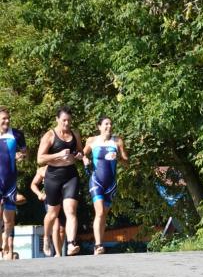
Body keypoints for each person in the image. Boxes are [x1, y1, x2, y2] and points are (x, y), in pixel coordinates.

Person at [36, 106, 84, 256]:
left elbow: (80, 151)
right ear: (57, 119)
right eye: (64, 120)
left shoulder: (75, 134)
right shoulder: (49, 136)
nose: (66, 123)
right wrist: (58, 155)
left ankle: (71, 244)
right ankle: (46, 237)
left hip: (71, 175)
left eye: (69, 120)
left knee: (71, 210)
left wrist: (79, 155)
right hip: (53, 176)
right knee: (52, 213)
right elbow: (40, 159)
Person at [83, 116, 129, 255]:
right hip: (96, 181)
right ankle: (98, 245)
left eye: (110, 124)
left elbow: (126, 162)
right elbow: (82, 154)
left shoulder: (117, 141)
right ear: (99, 127)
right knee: (100, 212)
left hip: (111, 184)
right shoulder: (92, 140)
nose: (109, 126)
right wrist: (85, 160)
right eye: (106, 124)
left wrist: (118, 158)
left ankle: (99, 244)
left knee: (104, 215)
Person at [0, 107, 27, 260]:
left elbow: (25, 153)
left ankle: (5, 239)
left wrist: (21, 156)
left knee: (9, 219)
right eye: (3, 118)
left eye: (8, 118)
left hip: (10, 182)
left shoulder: (17, 134)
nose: (7, 121)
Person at [30, 165, 66, 256]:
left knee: (62, 229)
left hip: (64, 199)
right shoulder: (43, 170)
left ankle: (58, 251)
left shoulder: (64, 166)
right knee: (56, 226)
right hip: (51, 199)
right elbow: (33, 184)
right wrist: (39, 194)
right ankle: (58, 253)